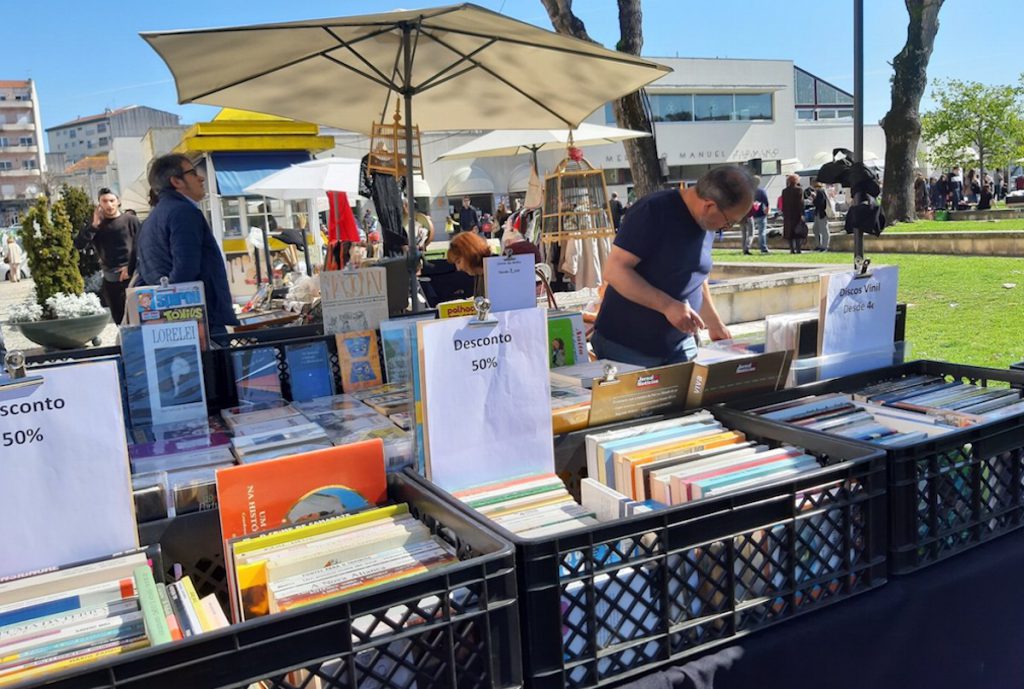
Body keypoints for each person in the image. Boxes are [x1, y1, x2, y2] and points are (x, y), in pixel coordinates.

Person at [591, 165, 753, 368]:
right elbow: (615, 271)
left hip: (680, 344)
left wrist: (714, 323)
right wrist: (667, 305)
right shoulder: (653, 211)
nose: (726, 228)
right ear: (709, 206)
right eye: (729, 222)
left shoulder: (707, 222)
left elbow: (696, 277)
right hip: (629, 347)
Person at [133, 154, 239, 334]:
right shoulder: (183, 212)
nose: (201, 177)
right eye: (193, 172)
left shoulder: (152, 219)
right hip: (200, 322)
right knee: (215, 362)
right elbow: (185, 271)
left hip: (176, 323)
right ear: (176, 181)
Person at [73, 188, 139, 324]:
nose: (109, 205)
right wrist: (94, 226)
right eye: (104, 201)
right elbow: (79, 244)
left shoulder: (131, 220)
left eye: (112, 200)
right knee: (121, 323)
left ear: (118, 201)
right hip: (111, 281)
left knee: (140, 320)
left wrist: (130, 267)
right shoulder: (96, 225)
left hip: (133, 279)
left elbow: (142, 246)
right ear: (99, 204)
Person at [446, 230, 492, 298]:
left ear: (469, 254)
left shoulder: (494, 274)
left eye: (458, 261)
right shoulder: (480, 274)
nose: (458, 268)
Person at [781, 174, 806, 254]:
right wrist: (802, 214)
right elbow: (801, 203)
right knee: (797, 232)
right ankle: (798, 248)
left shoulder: (784, 191)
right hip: (796, 213)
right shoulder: (799, 190)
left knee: (789, 232)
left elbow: (783, 203)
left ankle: (792, 249)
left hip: (788, 214)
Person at [812, 182, 829, 252]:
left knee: (823, 230)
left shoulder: (820, 192)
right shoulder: (822, 192)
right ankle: (820, 245)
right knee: (816, 229)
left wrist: (814, 198)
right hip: (818, 213)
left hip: (821, 213)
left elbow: (819, 203)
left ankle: (824, 246)